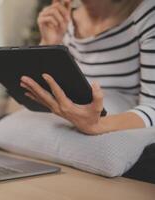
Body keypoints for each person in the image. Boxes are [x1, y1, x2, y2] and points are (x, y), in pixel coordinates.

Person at [19, 0, 155, 183]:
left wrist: (98, 125)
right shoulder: (65, 19)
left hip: (119, 119)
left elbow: (153, 107)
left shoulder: (147, 13)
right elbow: (44, 98)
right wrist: (50, 44)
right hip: (73, 118)